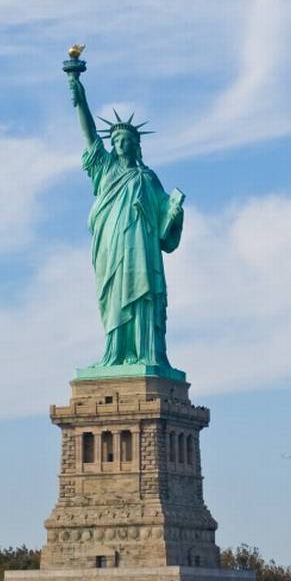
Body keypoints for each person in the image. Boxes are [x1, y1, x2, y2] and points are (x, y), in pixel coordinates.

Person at [68, 74, 184, 370]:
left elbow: (163, 225)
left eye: (125, 141)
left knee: (142, 295)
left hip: (141, 248)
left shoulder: (147, 178)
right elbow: (89, 133)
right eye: (116, 141)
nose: (120, 145)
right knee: (114, 295)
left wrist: (174, 212)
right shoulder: (104, 168)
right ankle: (115, 353)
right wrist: (77, 89)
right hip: (111, 245)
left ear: (135, 145)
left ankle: (146, 354)